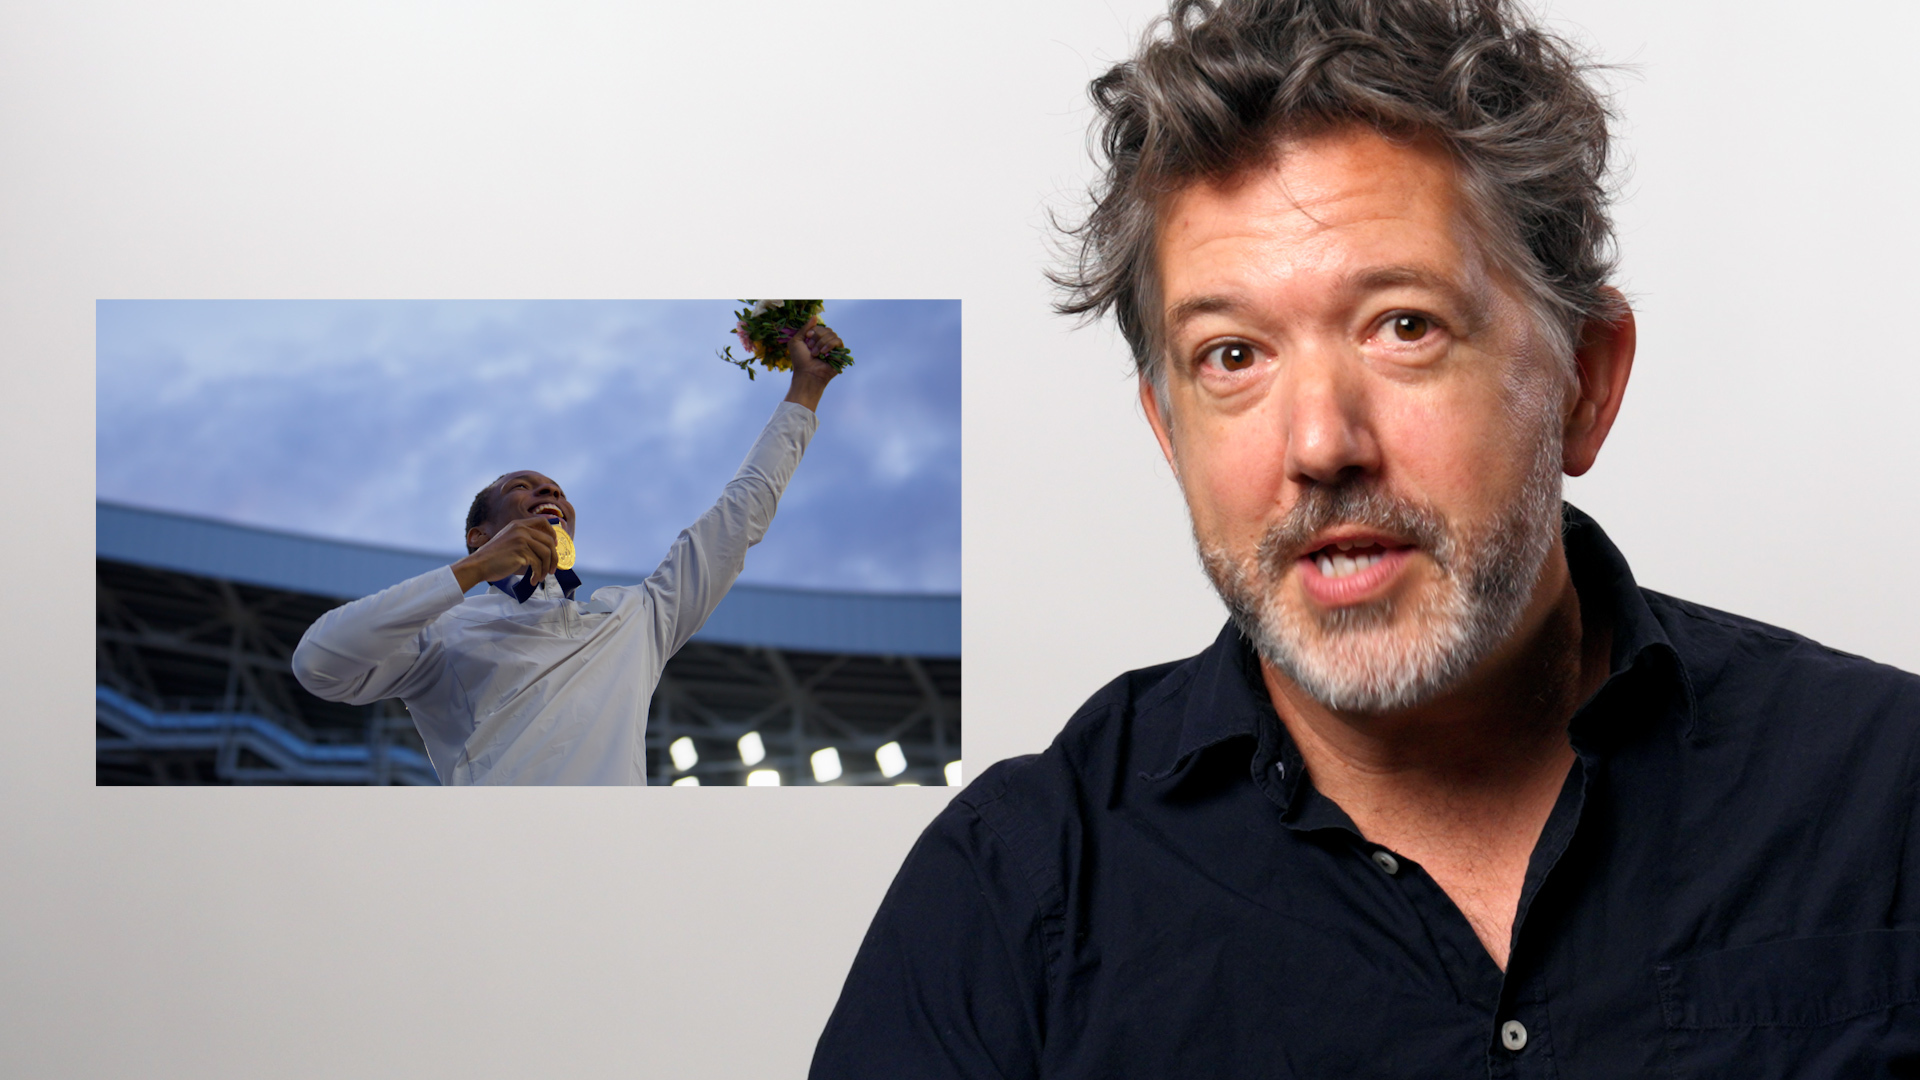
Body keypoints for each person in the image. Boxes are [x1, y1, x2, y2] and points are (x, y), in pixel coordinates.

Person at [811, 1, 1920, 1076]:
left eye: (1404, 327)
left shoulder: (1887, 794)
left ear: (1586, 381)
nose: (1320, 443)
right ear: (1167, 431)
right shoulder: (1017, 895)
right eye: (1232, 355)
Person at [291, 321, 844, 785]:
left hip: (615, 877)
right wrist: (471, 574)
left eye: (556, 490)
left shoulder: (637, 617)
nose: (549, 493)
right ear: (478, 534)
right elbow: (317, 663)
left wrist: (806, 393)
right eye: (522, 488)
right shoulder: (443, 632)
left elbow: (739, 515)